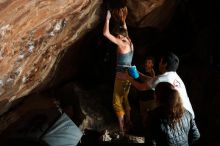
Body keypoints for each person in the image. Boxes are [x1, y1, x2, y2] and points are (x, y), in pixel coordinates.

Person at [117, 52, 195, 119]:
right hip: (189, 114)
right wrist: (137, 72)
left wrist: (127, 77)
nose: (159, 63)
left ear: (165, 64)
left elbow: (141, 87)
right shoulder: (175, 76)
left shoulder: (162, 78)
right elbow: (151, 79)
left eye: (161, 61)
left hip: (180, 115)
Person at [103, 10, 134, 135]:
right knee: (125, 98)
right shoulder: (130, 41)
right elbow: (124, 28)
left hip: (121, 77)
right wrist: (123, 19)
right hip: (129, 76)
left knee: (116, 102)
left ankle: (121, 130)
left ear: (121, 37)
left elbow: (105, 33)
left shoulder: (122, 44)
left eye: (117, 36)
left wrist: (108, 18)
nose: (116, 37)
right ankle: (129, 121)